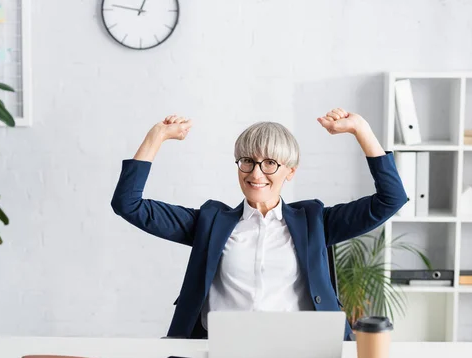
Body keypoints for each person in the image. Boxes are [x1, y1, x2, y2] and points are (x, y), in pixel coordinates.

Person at [111, 108, 407, 341]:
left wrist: (361, 130)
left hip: (300, 349)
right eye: (247, 161)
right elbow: (129, 204)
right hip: (220, 349)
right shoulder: (210, 223)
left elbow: (390, 199)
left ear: (290, 171)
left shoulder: (315, 222)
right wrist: (156, 137)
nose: (256, 173)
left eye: (270, 163)